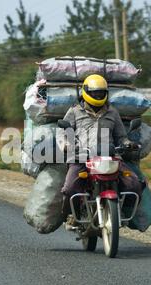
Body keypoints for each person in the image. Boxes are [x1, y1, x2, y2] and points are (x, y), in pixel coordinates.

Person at [60, 74, 144, 224]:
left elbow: (121, 136)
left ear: (106, 93)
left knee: (134, 184)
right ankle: (73, 215)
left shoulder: (112, 112)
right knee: (70, 188)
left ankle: (122, 212)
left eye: (101, 92)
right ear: (86, 91)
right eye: (94, 92)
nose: (98, 95)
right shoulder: (74, 111)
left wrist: (127, 143)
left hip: (110, 157)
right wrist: (66, 144)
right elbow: (63, 132)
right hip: (81, 157)